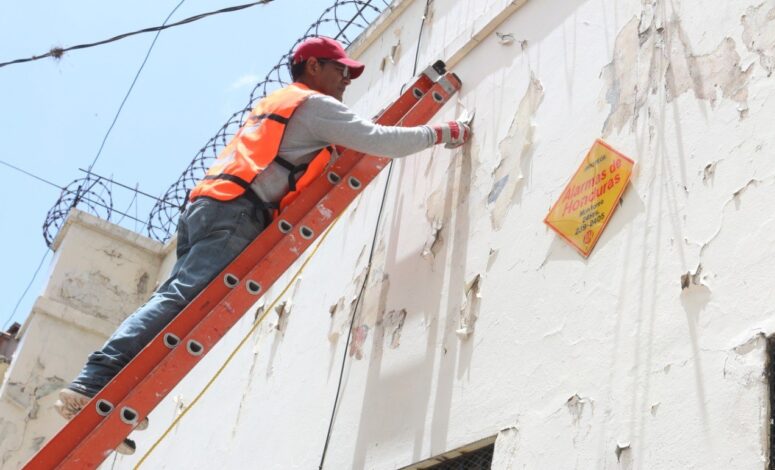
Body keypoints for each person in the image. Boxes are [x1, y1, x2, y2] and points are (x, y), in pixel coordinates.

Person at [55, 36, 470, 454]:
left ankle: (117, 398)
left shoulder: (279, 105)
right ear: (312, 67)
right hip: (235, 212)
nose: (347, 78)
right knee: (184, 300)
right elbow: (380, 141)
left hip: (210, 207)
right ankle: (96, 378)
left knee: (179, 303)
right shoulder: (314, 106)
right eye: (340, 68)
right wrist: (442, 132)